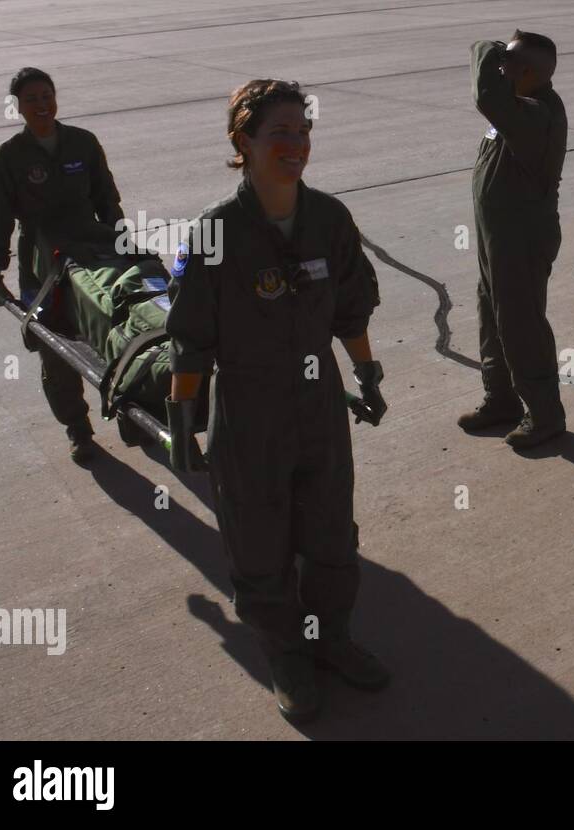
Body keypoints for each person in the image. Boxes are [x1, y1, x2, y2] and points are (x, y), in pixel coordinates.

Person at [165, 79, 388, 724]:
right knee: (259, 543)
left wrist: (368, 371)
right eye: (280, 132)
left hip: (318, 408)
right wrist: (184, 418)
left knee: (330, 534)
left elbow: (349, 307)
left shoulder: (329, 219)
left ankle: (329, 638)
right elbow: (191, 340)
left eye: (303, 130)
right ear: (244, 141)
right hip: (249, 414)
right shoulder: (217, 230)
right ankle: (287, 653)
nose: (296, 144)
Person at [0, 67, 125, 462]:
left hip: (93, 256)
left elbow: (107, 200)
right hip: (41, 265)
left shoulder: (83, 142)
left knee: (112, 334)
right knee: (56, 349)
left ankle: (131, 412)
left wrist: (122, 246)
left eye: (47, 96)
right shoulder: (8, 157)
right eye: (32, 99)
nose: (42, 105)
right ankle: (78, 428)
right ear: (18, 107)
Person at [458, 31, 568, 449]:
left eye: (507, 62)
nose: (500, 68)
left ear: (526, 72)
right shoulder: (517, 108)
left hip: (522, 239)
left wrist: (487, 46)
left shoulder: (537, 114)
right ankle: (501, 400)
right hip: (498, 238)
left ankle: (545, 415)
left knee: (520, 324)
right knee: (493, 316)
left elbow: (486, 94)